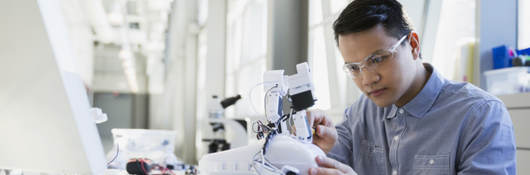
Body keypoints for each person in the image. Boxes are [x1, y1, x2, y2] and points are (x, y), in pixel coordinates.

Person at [307, 0, 517, 174]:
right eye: (354, 67)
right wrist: (318, 138)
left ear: (414, 45)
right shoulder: (363, 111)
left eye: (378, 59)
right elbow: (331, 152)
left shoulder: (482, 116)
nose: (367, 79)